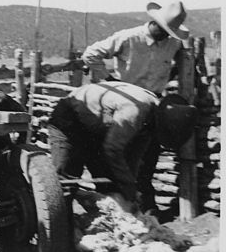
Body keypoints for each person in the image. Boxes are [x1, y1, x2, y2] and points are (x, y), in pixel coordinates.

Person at [47, 81, 196, 213]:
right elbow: (112, 149)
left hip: (97, 124)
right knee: (66, 180)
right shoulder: (135, 111)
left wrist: (129, 187)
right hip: (70, 117)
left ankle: (107, 230)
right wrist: (129, 185)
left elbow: (135, 156)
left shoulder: (151, 118)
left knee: (109, 183)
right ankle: (58, 236)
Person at [81, 1, 189, 96]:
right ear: (155, 23)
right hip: (126, 96)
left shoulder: (173, 43)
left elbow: (183, 62)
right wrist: (110, 79)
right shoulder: (128, 37)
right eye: (164, 31)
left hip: (155, 97)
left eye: (169, 33)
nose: (166, 36)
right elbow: (91, 54)